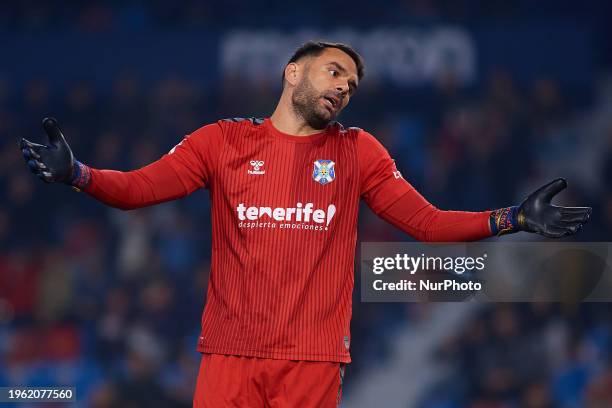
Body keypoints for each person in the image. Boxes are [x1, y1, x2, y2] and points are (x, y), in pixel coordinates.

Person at [20, 41, 591, 407]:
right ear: (293, 72)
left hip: (312, 361)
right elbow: (141, 189)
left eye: (352, 85)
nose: (344, 86)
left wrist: (511, 218)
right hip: (229, 356)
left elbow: (428, 223)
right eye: (335, 71)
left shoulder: (359, 152)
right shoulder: (223, 141)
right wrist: (80, 175)